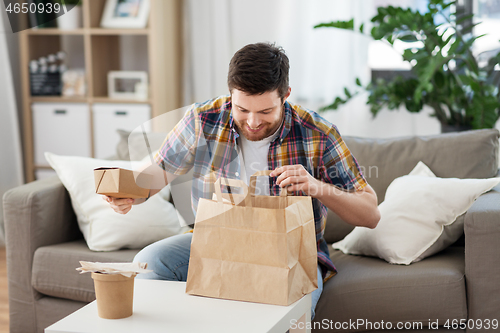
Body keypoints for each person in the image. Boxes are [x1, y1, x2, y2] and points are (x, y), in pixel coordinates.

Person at [103, 42, 380, 320]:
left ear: (286, 95)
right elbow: (159, 172)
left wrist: (316, 187)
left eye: (265, 112)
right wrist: (129, 194)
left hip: (291, 254)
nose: (252, 122)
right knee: (149, 261)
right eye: (242, 109)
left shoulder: (317, 134)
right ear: (231, 95)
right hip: (214, 242)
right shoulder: (203, 120)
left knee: (291, 317)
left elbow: (370, 214)